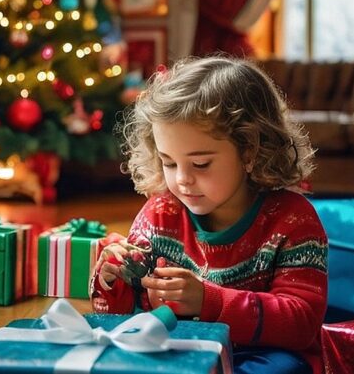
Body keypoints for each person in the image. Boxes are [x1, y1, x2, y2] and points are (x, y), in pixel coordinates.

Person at [90, 56, 328, 374]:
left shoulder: (292, 220)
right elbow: (127, 316)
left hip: (263, 356)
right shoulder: (160, 213)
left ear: (249, 152)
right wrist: (113, 280)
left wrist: (209, 301)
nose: (182, 179)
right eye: (169, 162)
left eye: (200, 164)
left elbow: (301, 323)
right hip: (180, 349)